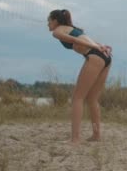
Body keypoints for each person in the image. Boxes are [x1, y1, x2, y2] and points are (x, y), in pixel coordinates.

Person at [47, 9, 112, 144]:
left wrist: (95, 46)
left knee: (77, 98)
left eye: (49, 21)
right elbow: (84, 39)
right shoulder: (72, 28)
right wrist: (100, 45)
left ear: (55, 21)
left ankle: (75, 139)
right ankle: (96, 135)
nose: (47, 24)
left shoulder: (57, 31)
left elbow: (74, 40)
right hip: (105, 57)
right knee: (92, 99)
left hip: (95, 56)